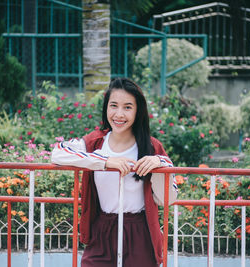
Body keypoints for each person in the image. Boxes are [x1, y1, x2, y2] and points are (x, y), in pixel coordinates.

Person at [51, 77, 176, 267]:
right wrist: (106, 161)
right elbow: (58, 153)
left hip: (139, 232)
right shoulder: (95, 143)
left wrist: (158, 164)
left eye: (127, 107)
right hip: (102, 228)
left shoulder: (151, 147)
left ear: (137, 111)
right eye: (113, 105)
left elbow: (168, 198)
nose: (119, 114)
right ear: (106, 108)